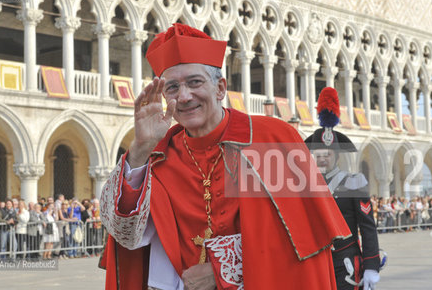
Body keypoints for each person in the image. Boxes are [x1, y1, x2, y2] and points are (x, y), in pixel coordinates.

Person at [99, 23, 350, 289]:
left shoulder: (269, 141)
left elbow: (300, 240)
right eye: (172, 88)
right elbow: (123, 233)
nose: (184, 96)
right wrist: (139, 150)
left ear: (220, 88)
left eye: (195, 82)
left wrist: (223, 269)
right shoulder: (158, 155)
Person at [305, 87, 380, 290]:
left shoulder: (353, 183)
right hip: (316, 263)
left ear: (336, 156)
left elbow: (367, 227)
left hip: (345, 263)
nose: (322, 158)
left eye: (327, 154)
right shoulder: (306, 186)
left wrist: (371, 264)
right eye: (318, 154)